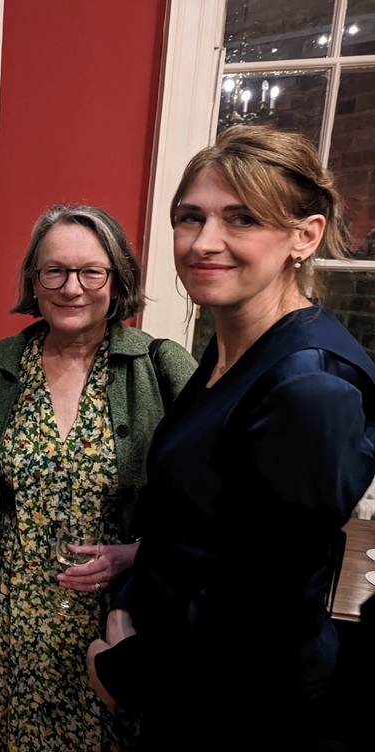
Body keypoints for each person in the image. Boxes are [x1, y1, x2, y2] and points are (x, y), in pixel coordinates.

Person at [86, 124, 375, 750]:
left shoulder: (311, 385)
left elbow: (270, 607)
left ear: (306, 235)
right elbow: (230, 525)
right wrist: (137, 570)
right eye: (190, 218)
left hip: (244, 707)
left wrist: (129, 670)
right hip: (186, 677)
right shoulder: (228, 351)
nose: (204, 242)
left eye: (241, 220)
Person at [0, 204, 197, 750]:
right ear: (34, 281)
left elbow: (209, 505)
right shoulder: (3, 365)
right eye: (53, 270)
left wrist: (135, 554)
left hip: (112, 626)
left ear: (117, 278)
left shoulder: (159, 366)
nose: (71, 287)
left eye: (90, 272)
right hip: (11, 624)